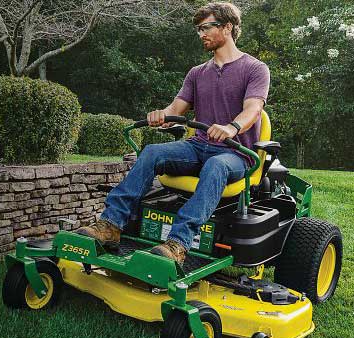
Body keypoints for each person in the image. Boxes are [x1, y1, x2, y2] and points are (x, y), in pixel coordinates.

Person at [74, 2, 270, 265]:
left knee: (216, 164)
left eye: (206, 28)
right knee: (153, 152)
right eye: (198, 30)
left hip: (235, 154)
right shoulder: (197, 73)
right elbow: (176, 108)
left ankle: (178, 243)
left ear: (227, 27)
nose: (201, 34)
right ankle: (111, 225)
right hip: (198, 146)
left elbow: (254, 109)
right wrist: (162, 116)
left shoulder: (255, 69)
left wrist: (231, 127)